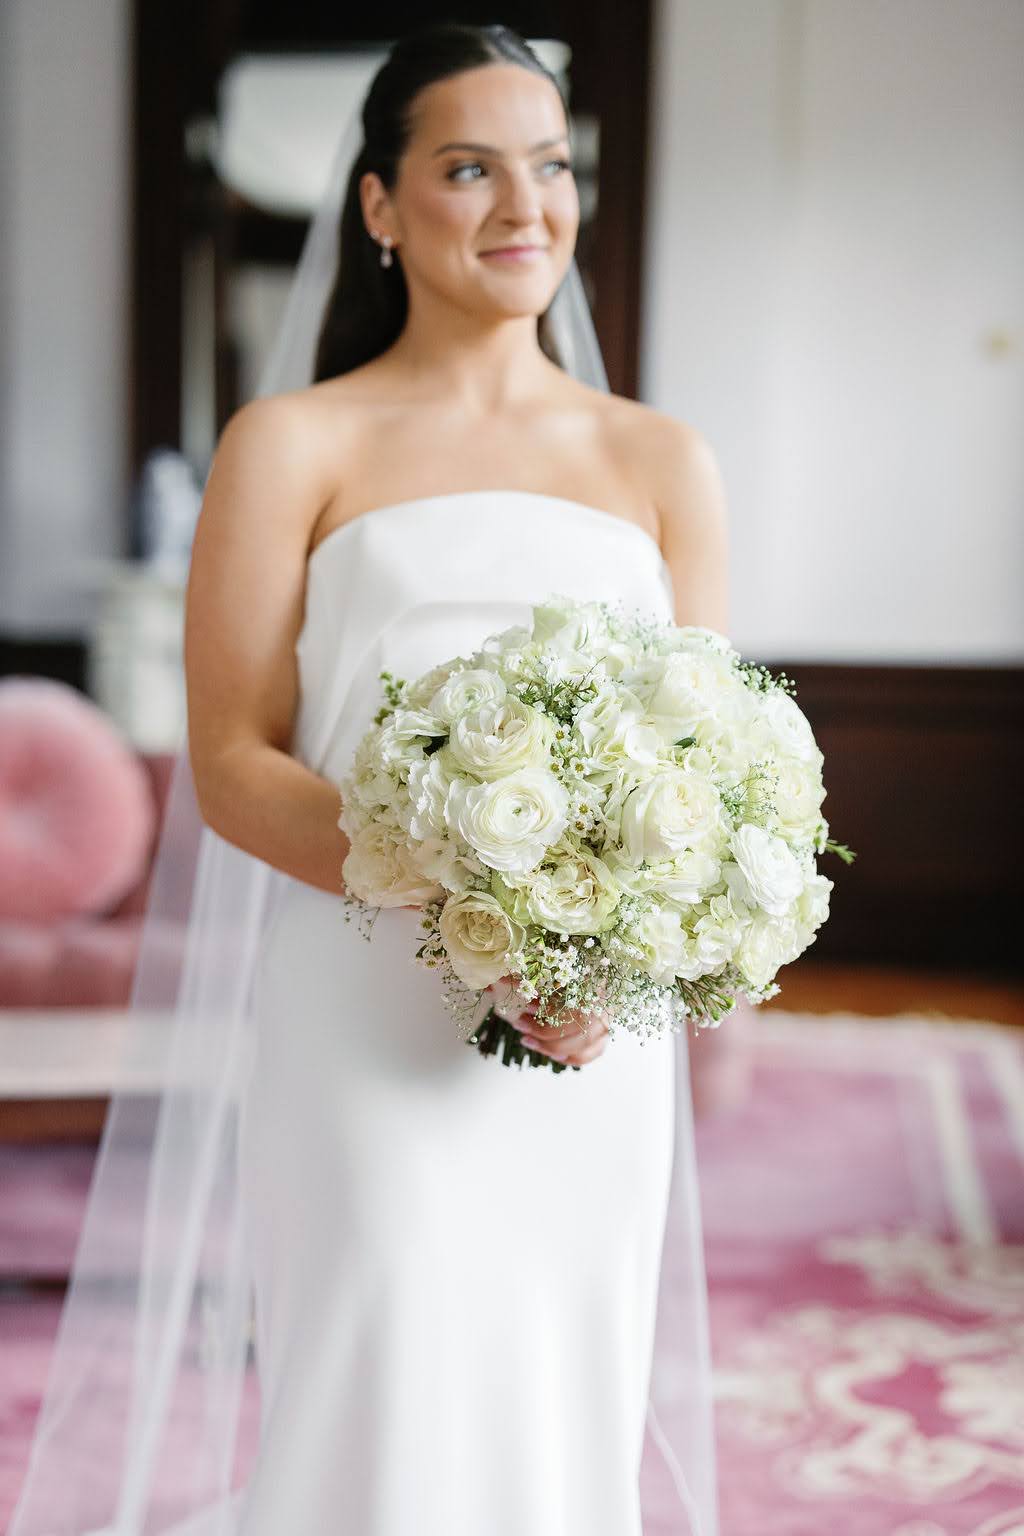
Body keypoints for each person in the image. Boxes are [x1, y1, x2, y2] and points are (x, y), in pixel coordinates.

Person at [9, 22, 724, 1536]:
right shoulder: (291, 442)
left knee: (561, 1371)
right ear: (383, 208)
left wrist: (602, 951)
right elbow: (231, 760)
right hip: (364, 1003)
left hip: (593, 1030)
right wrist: (470, 893)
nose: (525, 205)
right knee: (388, 1356)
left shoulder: (662, 459)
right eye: (469, 168)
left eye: (549, 167)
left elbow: (702, 763)